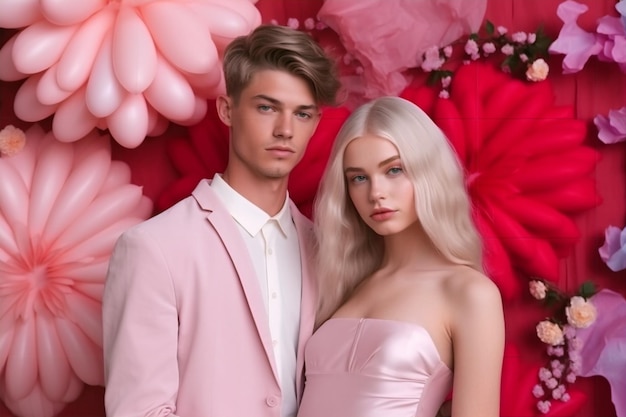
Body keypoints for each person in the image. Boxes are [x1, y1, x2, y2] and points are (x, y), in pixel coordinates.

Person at [102, 24, 340, 417]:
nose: (285, 130)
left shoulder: (323, 249)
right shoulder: (154, 248)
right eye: (267, 107)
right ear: (227, 110)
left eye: (302, 114)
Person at [297, 96, 505, 417]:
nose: (375, 193)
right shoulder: (344, 284)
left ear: (428, 173)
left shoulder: (469, 293)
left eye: (394, 170)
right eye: (359, 178)